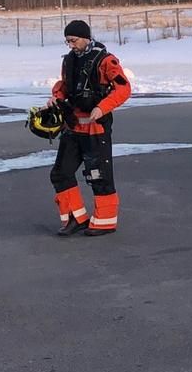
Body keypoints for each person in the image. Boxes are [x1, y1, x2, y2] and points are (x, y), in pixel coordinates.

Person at [49, 19, 132, 236]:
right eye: (67, 42)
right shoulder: (68, 61)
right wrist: (55, 99)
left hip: (96, 129)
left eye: (73, 40)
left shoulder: (105, 61)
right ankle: (76, 218)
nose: (71, 45)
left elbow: (123, 89)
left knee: (99, 176)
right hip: (73, 127)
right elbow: (64, 86)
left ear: (85, 37)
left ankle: (105, 222)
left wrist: (102, 108)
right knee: (60, 173)